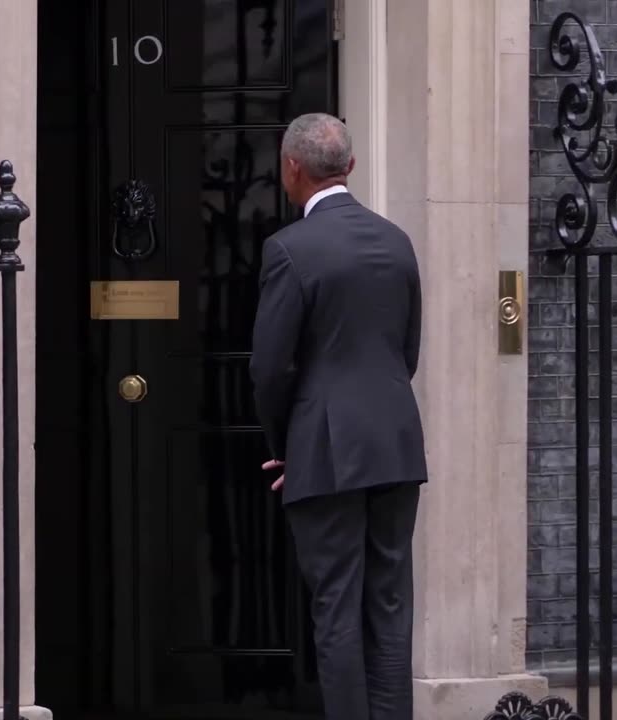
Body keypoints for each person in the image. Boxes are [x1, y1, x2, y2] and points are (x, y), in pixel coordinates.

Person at [250, 112, 428, 720]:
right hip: (397, 444)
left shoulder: (290, 249)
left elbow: (269, 368)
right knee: (389, 605)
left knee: (336, 609)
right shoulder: (396, 239)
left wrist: (284, 444)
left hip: (325, 450)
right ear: (349, 166)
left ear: (291, 169)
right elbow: (407, 350)